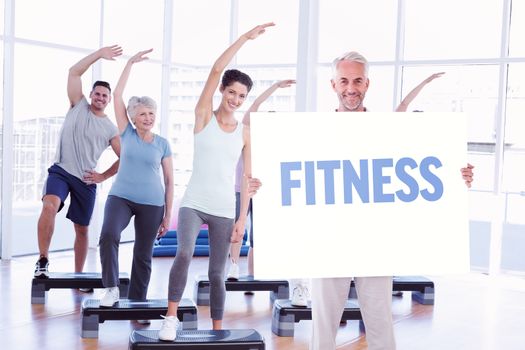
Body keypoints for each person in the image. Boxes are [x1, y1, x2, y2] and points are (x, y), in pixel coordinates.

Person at [310, 52, 474, 350]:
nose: (351, 87)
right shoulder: (310, 134)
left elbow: (420, 169)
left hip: (375, 240)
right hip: (329, 240)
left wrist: (455, 176)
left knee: (381, 324)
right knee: (322, 328)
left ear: (367, 83)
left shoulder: (389, 130)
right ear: (332, 84)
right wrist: (260, 186)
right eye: (344, 80)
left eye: (357, 80)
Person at [158, 23, 272, 342]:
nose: (236, 99)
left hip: (224, 208)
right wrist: (245, 39)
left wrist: (241, 219)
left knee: (217, 273)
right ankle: (170, 318)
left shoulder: (244, 133)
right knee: (183, 254)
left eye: (242, 96)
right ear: (223, 90)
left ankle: (218, 332)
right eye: (232, 92)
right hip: (194, 201)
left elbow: (248, 179)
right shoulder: (203, 116)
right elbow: (216, 68)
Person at [34, 46, 122, 279]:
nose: (100, 98)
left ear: (109, 100)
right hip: (61, 171)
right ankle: (43, 260)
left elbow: (126, 158)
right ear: (91, 95)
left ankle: (78, 275)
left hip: (86, 179)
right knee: (49, 206)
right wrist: (99, 54)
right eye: (97, 93)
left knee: (82, 229)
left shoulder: (110, 128)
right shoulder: (77, 105)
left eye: (105, 95)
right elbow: (74, 72)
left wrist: (102, 176)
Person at [98, 49, 173, 312]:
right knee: (108, 235)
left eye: (151, 113)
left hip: (152, 204)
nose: (148, 118)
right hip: (121, 197)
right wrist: (129, 63)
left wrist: (167, 215)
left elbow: (169, 180)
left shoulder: (163, 144)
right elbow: (117, 95)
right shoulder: (126, 133)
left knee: (143, 255)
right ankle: (111, 288)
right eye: (143, 114)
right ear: (132, 117)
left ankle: (139, 304)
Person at [226, 79, 296, 282]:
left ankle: (252, 276)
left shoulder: (276, 146)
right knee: (237, 229)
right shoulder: (247, 131)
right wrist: (275, 87)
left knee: (258, 236)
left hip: (262, 194)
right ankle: (233, 267)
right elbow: (255, 105)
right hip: (241, 190)